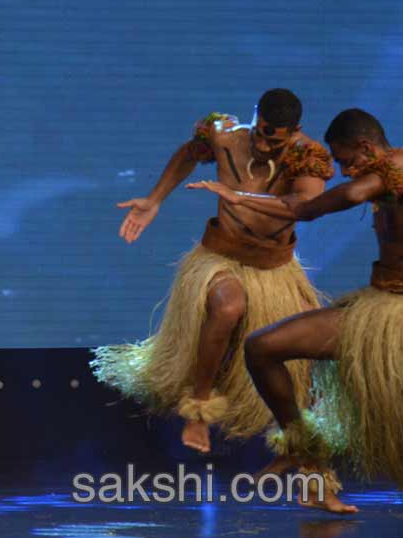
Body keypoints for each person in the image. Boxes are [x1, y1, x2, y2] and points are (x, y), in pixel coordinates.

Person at [91, 89, 333, 453]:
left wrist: (240, 197)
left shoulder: (306, 157)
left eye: (276, 140)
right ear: (256, 116)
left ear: (295, 130)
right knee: (228, 307)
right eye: (262, 132)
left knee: (303, 359)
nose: (266, 146)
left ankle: (307, 457)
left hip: (274, 270)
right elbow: (189, 154)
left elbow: (305, 204)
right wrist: (155, 199)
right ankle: (198, 411)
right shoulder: (223, 137)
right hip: (219, 258)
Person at [191, 108, 403, 513]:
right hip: (380, 307)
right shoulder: (382, 176)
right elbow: (305, 208)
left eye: (345, 160)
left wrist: (316, 204)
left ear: (365, 147)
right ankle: (300, 446)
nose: (343, 170)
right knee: (263, 347)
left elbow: (351, 195)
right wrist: (240, 198)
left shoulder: (396, 163)